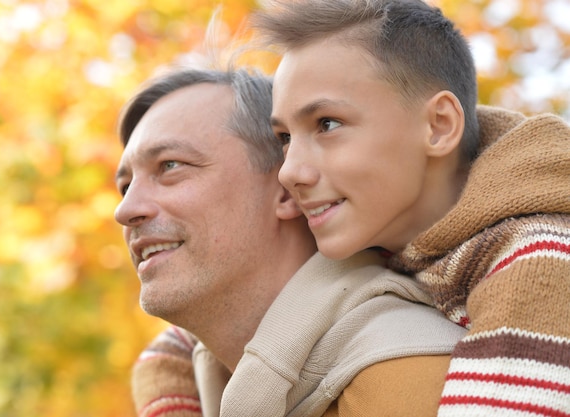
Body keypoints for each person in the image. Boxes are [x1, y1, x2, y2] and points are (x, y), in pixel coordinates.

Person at [253, 0, 570, 415]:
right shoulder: (381, 225)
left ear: (439, 126)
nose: (289, 172)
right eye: (285, 137)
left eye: (327, 124)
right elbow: (186, 342)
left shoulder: (540, 264)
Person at [114, 66, 467, 417]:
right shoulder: (209, 383)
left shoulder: (403, 375)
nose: (125, 210)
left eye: (170, 165)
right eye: (126, 186)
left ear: (286, 190)